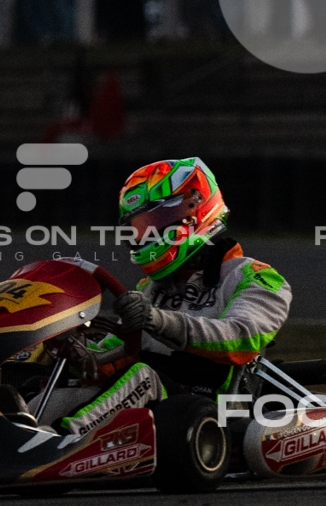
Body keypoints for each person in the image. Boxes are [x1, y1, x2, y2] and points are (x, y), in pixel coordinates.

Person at [114, 156, 290, 391]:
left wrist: (158, 321)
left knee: (141, 379)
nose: (147, 234)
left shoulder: (256, 277)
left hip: (209, 406)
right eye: (141, 227)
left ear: (196, 209)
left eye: (157, 221)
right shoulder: (150, 287)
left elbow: (241, 339)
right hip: (149, 401)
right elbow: (113, 352)